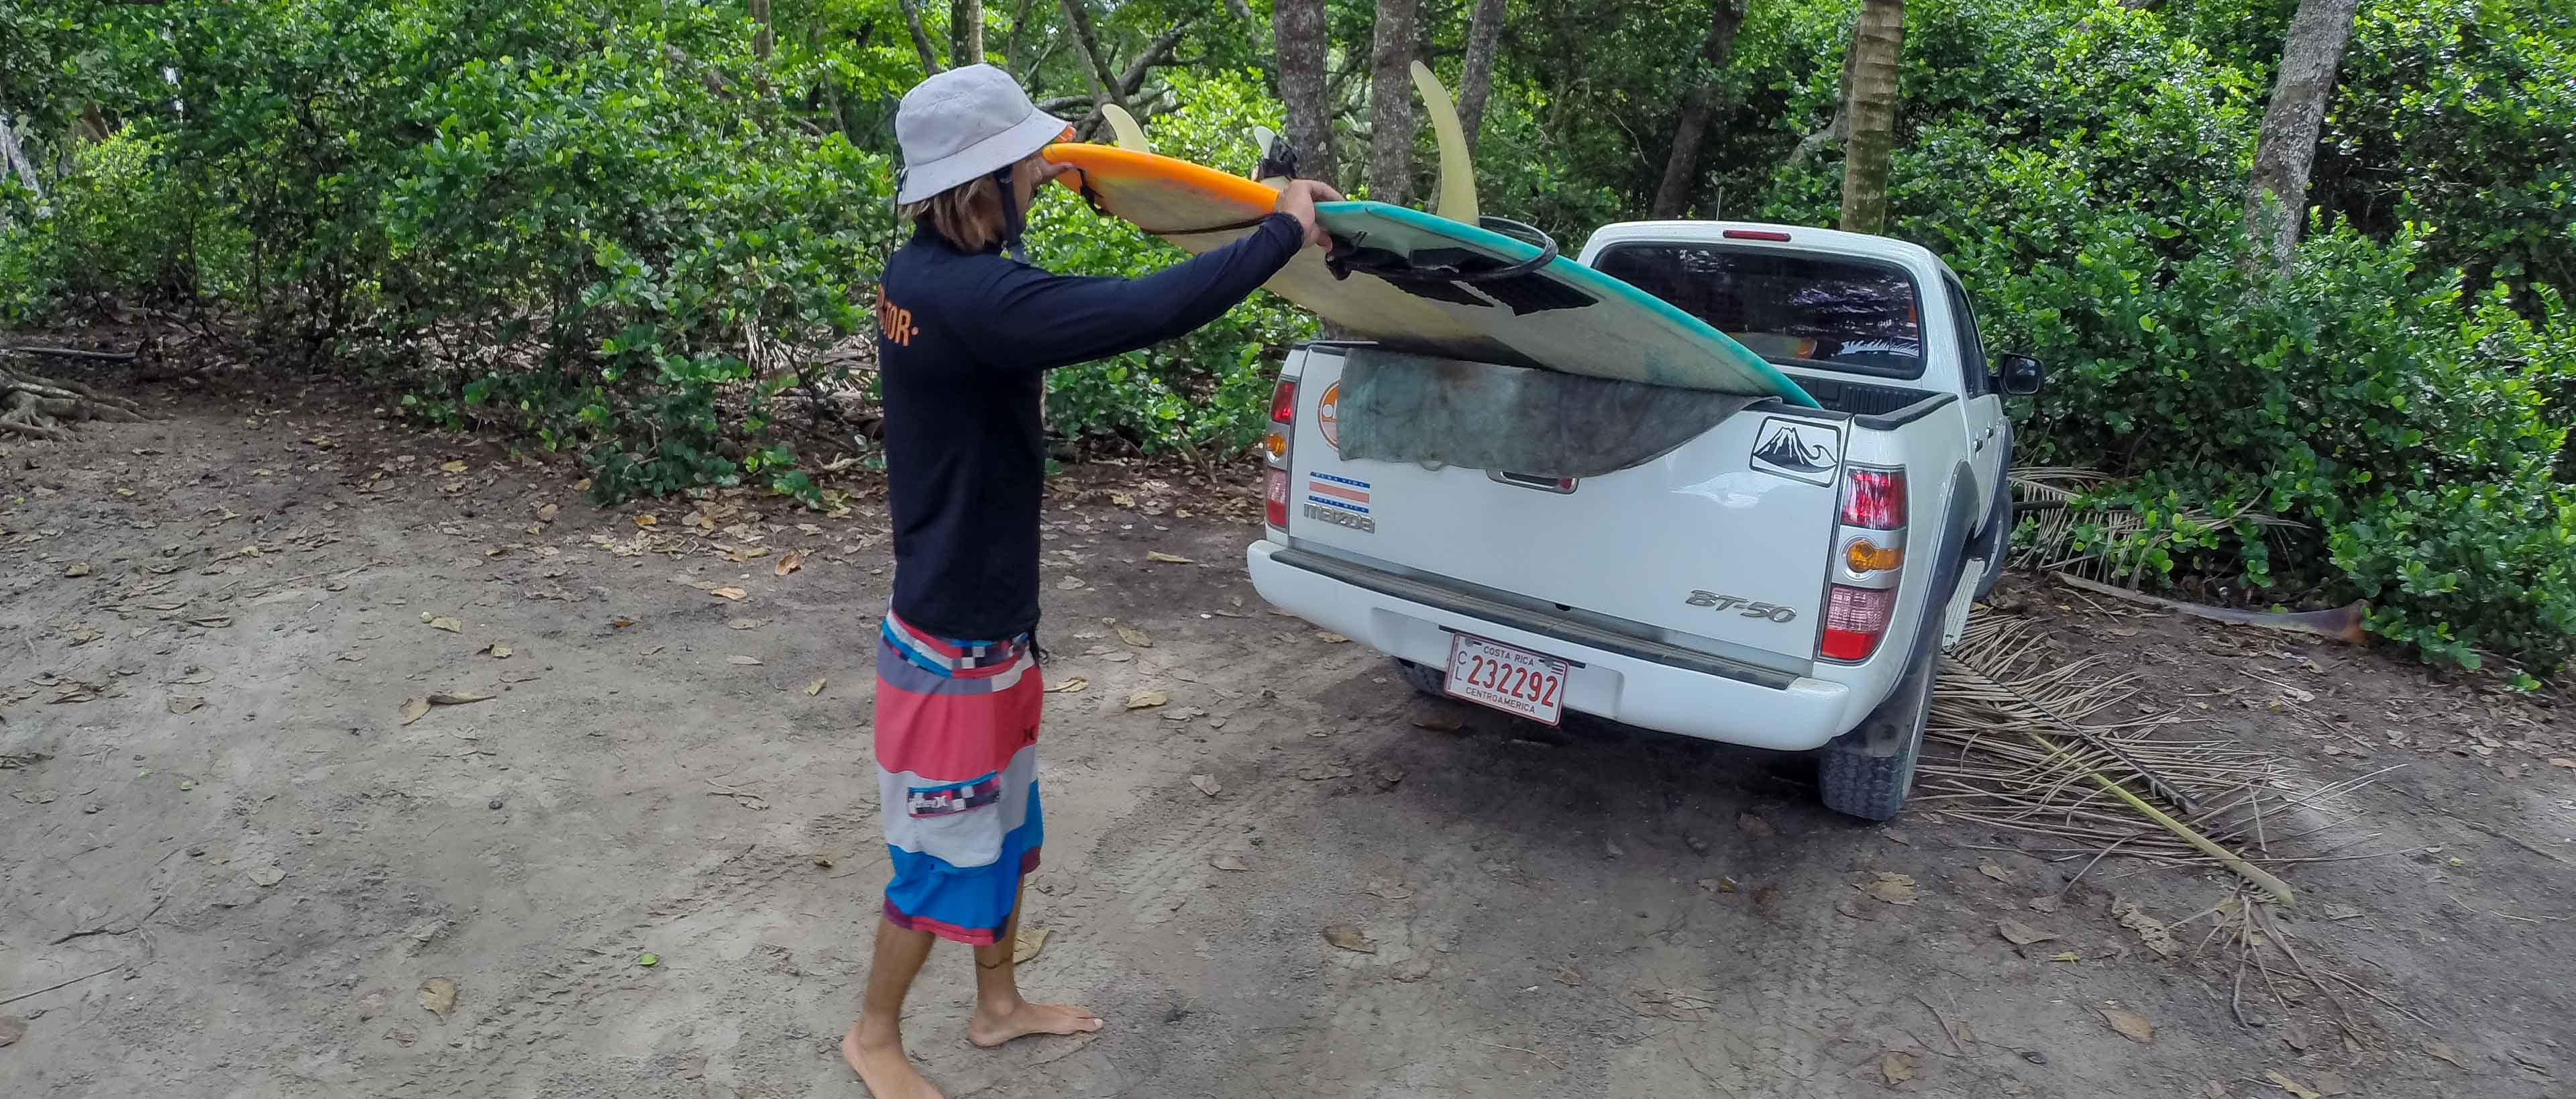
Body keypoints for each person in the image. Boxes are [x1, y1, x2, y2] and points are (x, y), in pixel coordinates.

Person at [845, 64, 1340, 1099]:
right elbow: (1143, 309)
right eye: (1024, 160)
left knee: (1008, 833)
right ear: (985, 181)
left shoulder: (920, 270)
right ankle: (874, 1035)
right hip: (949, 649)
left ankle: (996, 1006)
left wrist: (1064, 170)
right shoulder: (977, 300)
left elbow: (1008, 231)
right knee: (944, 857)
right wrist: (1281, 231)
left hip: (992, 627)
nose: (1039, 167)